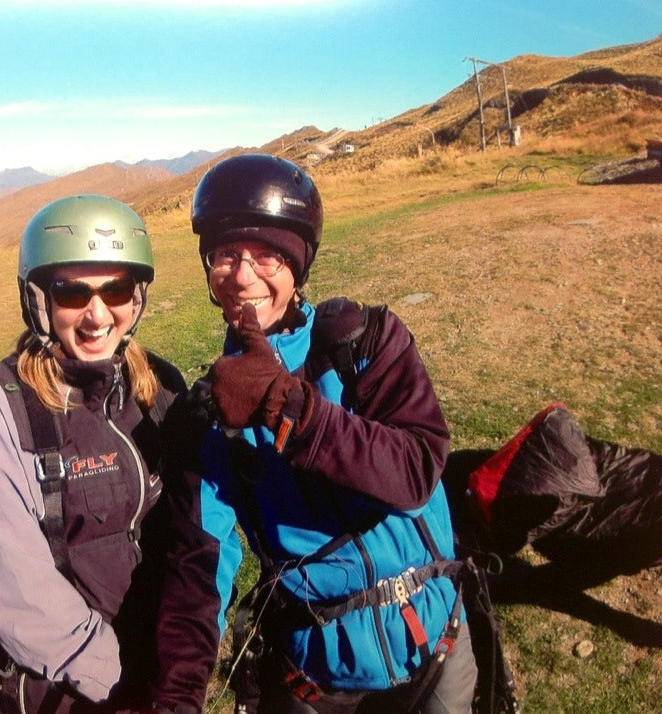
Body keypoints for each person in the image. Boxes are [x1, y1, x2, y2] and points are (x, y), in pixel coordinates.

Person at [151, 154, 478, 713]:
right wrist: (174, 698)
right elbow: (199, 569)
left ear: (298, 265)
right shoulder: (211, 414)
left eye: (267, 256)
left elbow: (417, 470)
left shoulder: (364, 342)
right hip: (321, 673)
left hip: (437, 641)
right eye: (226, 254)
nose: (243, 275)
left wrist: (288, 407)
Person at [0, 195, 187, 713]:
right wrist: (113, 677)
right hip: (74, 684)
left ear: (138, 296)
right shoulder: (5, 412)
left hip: (162, 664)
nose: (97, 315)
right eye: (72, 292)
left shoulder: (162, 389)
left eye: (117, 289)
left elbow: (197, 528)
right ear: (39, 300)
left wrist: (182, 652)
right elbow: (19, 588)